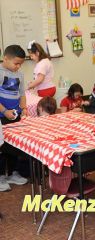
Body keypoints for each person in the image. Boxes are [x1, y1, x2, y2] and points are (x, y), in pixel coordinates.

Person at [0, 45, 28, 192]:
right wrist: (4, 111)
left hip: (15, 115)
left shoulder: (20, 75)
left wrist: (23, 108)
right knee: (2, 146)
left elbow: (22, 94)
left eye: (20, 64)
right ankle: (1, 177)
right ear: (5, 58)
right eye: (16, 63)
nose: (18, 67)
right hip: (2, 116)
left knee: (15, 146)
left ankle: (12, 173)